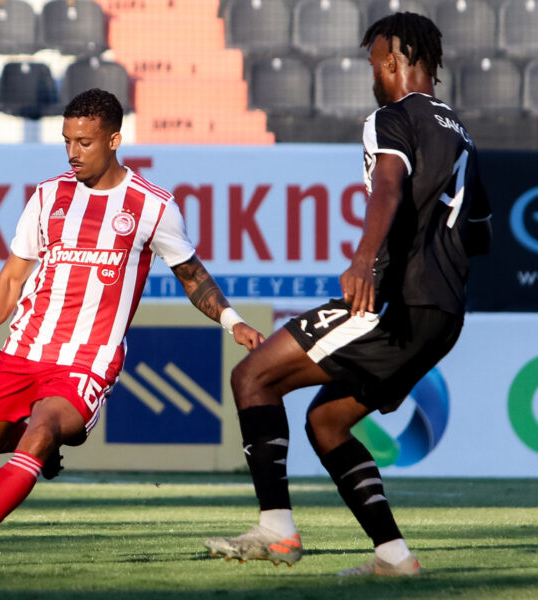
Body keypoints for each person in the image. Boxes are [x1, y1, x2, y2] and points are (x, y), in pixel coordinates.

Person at [205, 12, 492, 576]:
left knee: (252, 377)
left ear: (394, 62)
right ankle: (393, 556)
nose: (372, 74)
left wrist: (365, 260)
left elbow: (387, 186)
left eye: (374, 63)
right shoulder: (462, 134)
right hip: (443, 315)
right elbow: (479, 234)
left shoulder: (392, 117)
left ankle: (276, 529)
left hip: (392, 303)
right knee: (327, 422)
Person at [0, 88, 265, 566]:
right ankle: (41, 451)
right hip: (25, 349)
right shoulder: (48, 195)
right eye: (67, 141)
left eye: (84, 142)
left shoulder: (152, 206)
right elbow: (12, 278)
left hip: (88, 359)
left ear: (114, 140)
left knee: (43, 427)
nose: (73, 152)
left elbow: (193, 277)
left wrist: (233, 322)